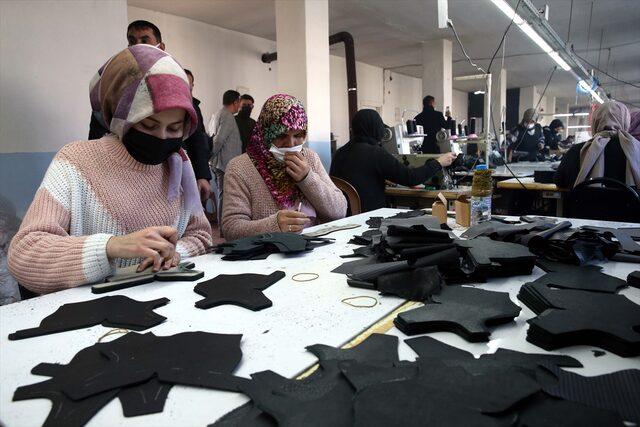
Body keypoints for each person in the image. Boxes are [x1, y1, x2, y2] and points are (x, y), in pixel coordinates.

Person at [8, 45, 212, 294]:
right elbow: (25, 254)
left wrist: (173, 254)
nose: (161, 138)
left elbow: (200, 236)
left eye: (174, 129)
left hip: (163, 307)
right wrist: (110, 247)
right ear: (120, 117)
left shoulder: (180, 167)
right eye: (148, 125)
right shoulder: (75, 162)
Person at [222, 94, 347, 240]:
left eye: (298, 135)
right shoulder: (239, 168)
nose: (291, 144)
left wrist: (307, 178)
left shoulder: (310, 158)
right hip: (267, 256)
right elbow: (231, 228)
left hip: (314, 250)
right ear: (265, 135)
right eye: (281, 136)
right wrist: (273, 225)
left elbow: (339, 211)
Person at [330, 109, 457, 212]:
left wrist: (379, 177)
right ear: (375, 128)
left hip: (344, 217)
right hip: (369, 218)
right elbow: (411, 178)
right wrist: (439, 162)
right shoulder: (375, 153)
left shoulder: (339, 153)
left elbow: (358, 177)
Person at [554, 101, 640, 189]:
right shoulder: (637, 151)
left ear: (595, 121)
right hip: (627, 203)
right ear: (626, 122)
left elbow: (559, 181)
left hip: (585, 202)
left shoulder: (576, 151)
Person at [211, 90, 243, 229]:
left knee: (223, 195)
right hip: (225, 164)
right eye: (239, 103)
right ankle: (224, 228)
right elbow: (218, 140)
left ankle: (223, 226)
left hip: (222, 163)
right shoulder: (228, 116)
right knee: (225, 197)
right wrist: (211, 155)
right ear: (235, 102)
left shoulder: (219, 114)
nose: (240, 106)